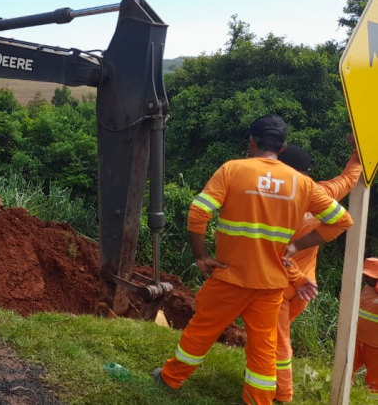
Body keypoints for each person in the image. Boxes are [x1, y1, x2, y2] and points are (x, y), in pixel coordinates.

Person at [152, 114, 353, 405]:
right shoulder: (303, 184)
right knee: (264, 348)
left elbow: (199, 211)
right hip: (271, 286)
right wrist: (297, 245)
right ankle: (259, 400)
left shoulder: (233, 169)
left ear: (251, 142)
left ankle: (170, 378)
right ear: (282, 147)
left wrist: (201, 256)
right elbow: (342, 221)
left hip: (230, 278)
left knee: (202, 331)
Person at [273, 138, 361, 402]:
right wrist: (358, 150)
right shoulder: (322, 194)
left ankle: (282, 393)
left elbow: (276, 255)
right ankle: (267, 376)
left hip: (281, 285)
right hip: (304, 289)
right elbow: (349, 177)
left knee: (277, 340)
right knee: (275, 336)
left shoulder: (275, 203)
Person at [355, 258, 378, 393]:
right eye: (365, 275)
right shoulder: (366, 289)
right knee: (346, 370)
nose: (366, 278)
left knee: (374, 380)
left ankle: (371, 399)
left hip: (375, 346)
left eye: (369, 276)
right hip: (358, 340)